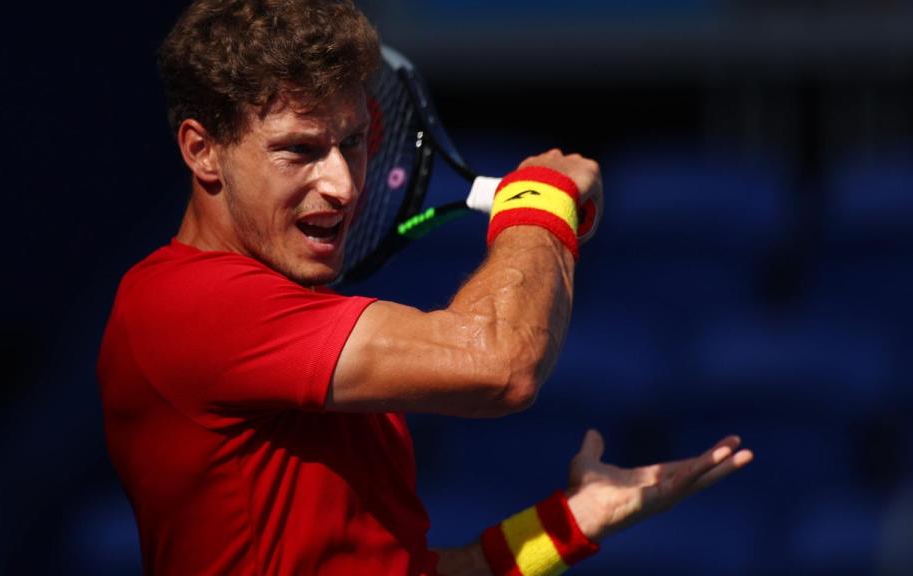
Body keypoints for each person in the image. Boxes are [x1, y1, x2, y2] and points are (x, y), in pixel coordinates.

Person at [97, 0, 753, 574]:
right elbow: (502, 365)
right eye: (299, 150)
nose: (344, 184)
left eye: (352, 143)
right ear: (201, 149)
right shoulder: (181, 304)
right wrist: (540, 199)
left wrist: (570, 523)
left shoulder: (309, 346)